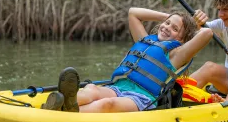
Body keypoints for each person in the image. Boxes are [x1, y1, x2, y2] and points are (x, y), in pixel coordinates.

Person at [41, 7, 213, 112]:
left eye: (175, 28)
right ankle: (66, 102)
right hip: (118, 87)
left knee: (107, 104)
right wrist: (170, 16)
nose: (167, 28)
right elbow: (133, 13)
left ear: (182, 40)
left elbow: (207, 33)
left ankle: (66, 111)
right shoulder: (145, 40)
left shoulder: (177, 55)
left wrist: (193, 23)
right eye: (167, 23)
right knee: (92, 89)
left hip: (141, 98)